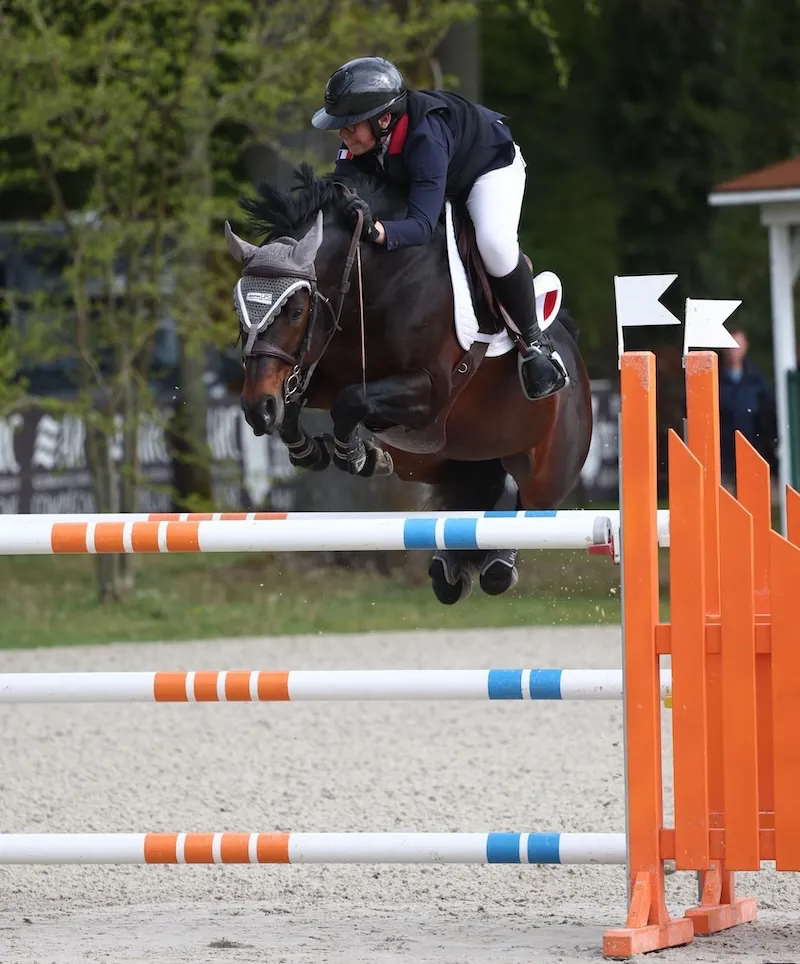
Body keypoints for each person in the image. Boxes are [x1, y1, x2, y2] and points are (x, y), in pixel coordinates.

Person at [310, 56, 566, 401]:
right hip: (427, 174)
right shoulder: (363, 136)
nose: (342, 134)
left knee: (493, 241)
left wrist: (379, 232)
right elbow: (341, 185)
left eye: (350, 125)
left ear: (384, 119)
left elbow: (421, 225)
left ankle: (536, 345)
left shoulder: (426, 139)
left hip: (486, 170)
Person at [718, 328, 777, 485]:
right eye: (730, 345)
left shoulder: (757, 382)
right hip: (722, 460)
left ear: (746, 346)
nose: (733, 351)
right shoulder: (714, 381)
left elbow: (768, 419)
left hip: (753, 455)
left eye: (738, 344)